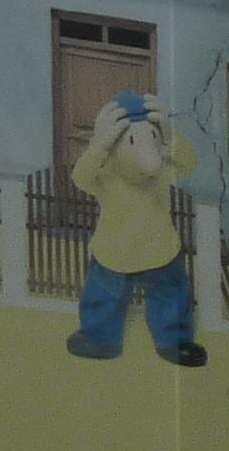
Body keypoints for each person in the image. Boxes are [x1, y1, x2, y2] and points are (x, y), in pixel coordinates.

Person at [67, 92, 205, 368]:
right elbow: (80, 178)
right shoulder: (107, 173)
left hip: (159, 249)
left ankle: (174, 340)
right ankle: (100, 337)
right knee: (104, 295)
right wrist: (98, 146)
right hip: (115, 252)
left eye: (152, 138)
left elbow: (190, 164)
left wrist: (169, 137)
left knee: (171, 296)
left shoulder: (161, 167)